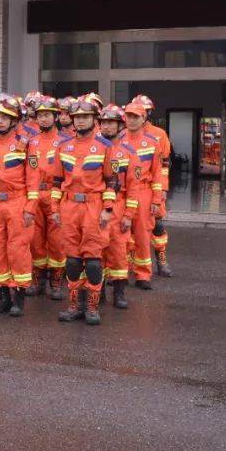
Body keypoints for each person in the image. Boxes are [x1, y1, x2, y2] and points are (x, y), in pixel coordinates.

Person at [51, 98, 123, 326]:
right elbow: (56, 181)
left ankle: (92, 307)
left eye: (85, 117)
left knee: (92, 261)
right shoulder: (63, 147)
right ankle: (74, 306)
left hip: (94, 207)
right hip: (69, 207)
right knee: (72, 261)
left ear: (94, 120)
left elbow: (112, 182)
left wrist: (108, 209)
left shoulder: (105, 147)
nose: (81, 121)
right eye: (77, 117)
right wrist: (55, 209)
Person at [0, 94, 39, 317]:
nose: (0, 121)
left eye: (5, 117)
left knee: (18, 249)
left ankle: (18, 295)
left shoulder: (24, 145)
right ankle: (2, 294)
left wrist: (30, 207)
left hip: (17, 202)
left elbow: (33, 179)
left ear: (15, 121)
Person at [122, 99, 166, 290]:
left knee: (142, 234)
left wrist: (157, 198)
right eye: (128, 116)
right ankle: (120, 272)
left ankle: (143, 274)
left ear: (144, 117)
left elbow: (157, 173)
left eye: (135, 117)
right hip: (122, 193)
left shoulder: (152, 142)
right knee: (119, 235)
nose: (131, 120)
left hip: (144, 192)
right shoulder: (118, 140)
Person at [26, 95, 66, 300]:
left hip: (55, 194)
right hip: (34, 194)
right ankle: (38, 278)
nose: (43, 119)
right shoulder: (30, 142)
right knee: (35, 239)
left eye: (47, 115)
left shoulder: (65, 142)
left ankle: (56, 280)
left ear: (55, 117)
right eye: (40, 115)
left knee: (57, 240)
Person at [131, 94, 174, 277]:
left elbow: (163, 166)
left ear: (148, 113)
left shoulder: (159, 134)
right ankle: (131, 262)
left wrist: (162, 189)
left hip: (151, 188)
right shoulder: (124, 133)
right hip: (132, 189)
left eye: (143, 112)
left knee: (157, 224)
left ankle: (161, 259)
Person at [98, 104, 132, 309]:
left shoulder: (127, 152)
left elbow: (134, 187)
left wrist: (128, 214)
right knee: (98, 250)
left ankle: (119, 292)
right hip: (97, 206)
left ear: (120, 126)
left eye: (111, 122)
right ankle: (98, 289)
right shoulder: (95, 148)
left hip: (119, 206)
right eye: (104, 122)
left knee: (119, 251)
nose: (107, 127)